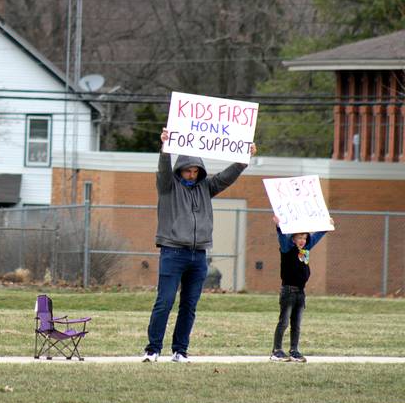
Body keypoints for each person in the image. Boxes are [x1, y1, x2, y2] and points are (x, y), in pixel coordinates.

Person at [142, 127, 256, 363]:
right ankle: (152, 349)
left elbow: (225, 178)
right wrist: (165, 148)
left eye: (195, 171)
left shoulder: (206, 186)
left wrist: (243, 160)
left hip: (199, 255)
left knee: (189, 305)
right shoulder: (168, 187)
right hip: (172, 252)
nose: (192, 175)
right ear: (180, 171)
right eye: (187, 171)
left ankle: (180, 350)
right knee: (164, 301)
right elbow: (163, 170)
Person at [269, 215, 333, 363]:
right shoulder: (287, 249)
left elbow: (316, 237)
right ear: (293, 239)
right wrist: (279, 226)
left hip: (300, 292)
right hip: (288, 291)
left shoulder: (305, 250)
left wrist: (326, 226)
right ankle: (276, 350)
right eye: (299, 238)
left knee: (296, 324)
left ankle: (294, 350)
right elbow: (282, 238)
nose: (302, 240)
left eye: (304, 238)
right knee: (284, 322)